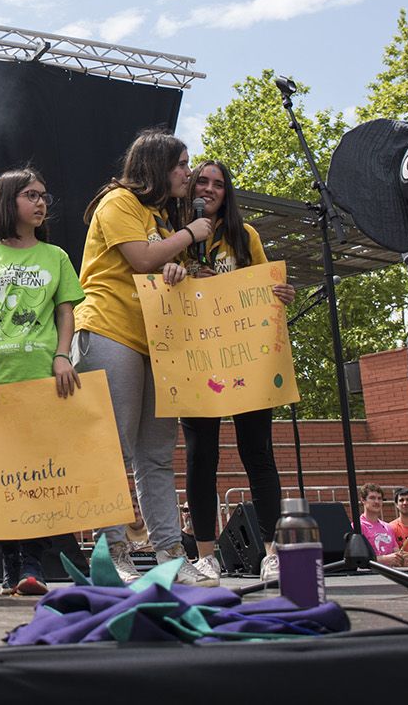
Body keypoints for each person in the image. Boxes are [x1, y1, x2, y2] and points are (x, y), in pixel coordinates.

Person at [73, 129, 211, 584]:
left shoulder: (160, 217)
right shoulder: (118, 203)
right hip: (112, 330)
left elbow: (158, 262)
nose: (188, 174)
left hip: (157, 340)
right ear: (156, 166)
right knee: (116, 448)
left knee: (157, 454)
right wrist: (189, 235)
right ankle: (114, 553)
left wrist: (177, 261)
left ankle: (171, 553)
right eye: (182, 164)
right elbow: (141, 259)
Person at [168, 160, 295, 586]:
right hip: (195, 359)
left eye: (218, 184)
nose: (208, 189)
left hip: (245, 358)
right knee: (200, 456)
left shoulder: (245, 236)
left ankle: (273, 553)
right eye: (201, 181)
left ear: (228, 192)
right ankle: (206, 555)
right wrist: (172, 272)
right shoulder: (175, 232)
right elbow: (153, 279)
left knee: (257, 452)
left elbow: (264, 286)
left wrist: (281, 292)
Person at [0, 168, 85, 595]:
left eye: (43, 195)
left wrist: (61, 355)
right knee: (1, 474)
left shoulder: (56, 257)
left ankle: (33, 560)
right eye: (31, 195)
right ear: (9, 201)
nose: (40, 203)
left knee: (39, 475)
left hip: (43, 382)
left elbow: (66, 312)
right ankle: (9, 561)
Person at [357, 483, 403, 567]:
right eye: (372, 498)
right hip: (368, 576)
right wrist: (384, 559)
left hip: (390, 575)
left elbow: (396, 552)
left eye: (379, 498)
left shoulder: (388, 527)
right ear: (363, 500)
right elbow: (358, 559)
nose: (377, 501)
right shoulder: (357, 526)